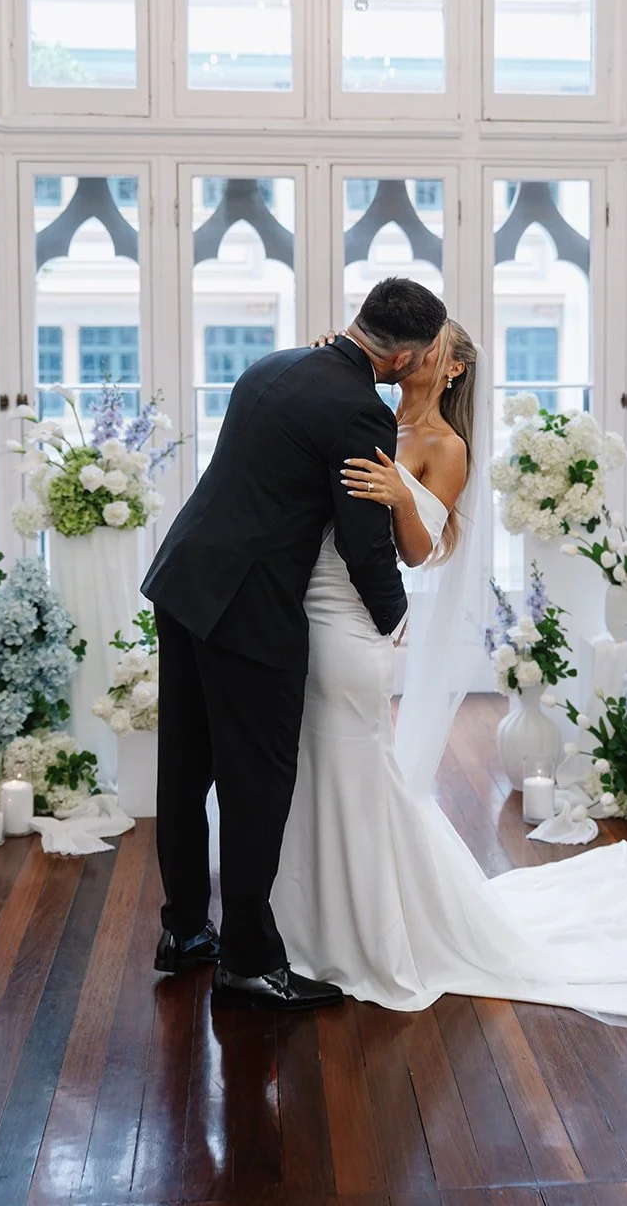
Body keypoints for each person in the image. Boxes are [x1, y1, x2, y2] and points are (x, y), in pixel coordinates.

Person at [270, 321, 627, 1027]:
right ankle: (313, 915)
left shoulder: (445, 449)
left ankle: (370, 926)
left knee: (356, 768)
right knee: (313, 767)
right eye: (414, 347)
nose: (416, 358)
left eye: (432, 352)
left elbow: (419, 554)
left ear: (448, 371)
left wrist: (397, 496)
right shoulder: (359, 411)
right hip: (308, 610)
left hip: (356, 620)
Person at [141, 277, 447, 1011]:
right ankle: (247, 960)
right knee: (256, 785)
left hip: (185, 580)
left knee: (185, 771)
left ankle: (184, 932)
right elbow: (363, 539)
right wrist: (392, 614)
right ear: (405, 354)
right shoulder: (358, 412)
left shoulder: (269, 365)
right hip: (249, 611)